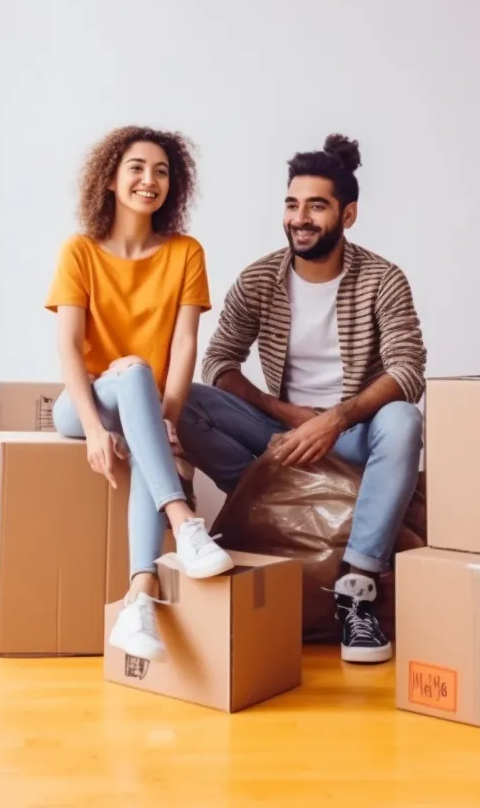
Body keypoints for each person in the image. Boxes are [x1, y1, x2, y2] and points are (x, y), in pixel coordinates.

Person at [176, 134, 426, 665]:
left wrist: (335, 420)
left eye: (317, 205)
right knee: (183, 400)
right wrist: (288, 415)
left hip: (354, 435)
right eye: (292, 204)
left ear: (348, 214)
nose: (300, 218)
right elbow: (219, 361)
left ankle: (357, 587)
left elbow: (408, 370)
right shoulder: (261, 278)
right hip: (280, 439)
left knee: (403, 420)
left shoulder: (382, 279)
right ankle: (266, 488)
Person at [45, 126, 233, 664]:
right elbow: (68, 348)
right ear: (110, 177)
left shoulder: (185, 253)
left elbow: (187, 345)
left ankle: (139, 598)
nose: (149, 180)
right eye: (136, 168)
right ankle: (184, 524)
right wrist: (97, 429)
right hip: (86, 403)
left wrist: (166, 421)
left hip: (148, 405)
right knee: (131, 374)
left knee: (142, 397)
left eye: (161, 171)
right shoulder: (79, 252)